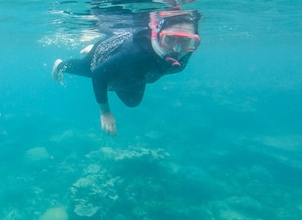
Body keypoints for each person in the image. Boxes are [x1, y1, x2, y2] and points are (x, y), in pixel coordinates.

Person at [51, 10, 201, 136]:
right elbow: (98, 74)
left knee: (132, 102)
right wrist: (105, 113)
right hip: (105, 57)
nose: (176, 50)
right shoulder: (134, 53)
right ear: (157, 34)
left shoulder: (186, 51)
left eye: (187, 41)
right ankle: (62, 64)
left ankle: (99, 52)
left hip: (136, 73)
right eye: (169, 39)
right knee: (87, 69)